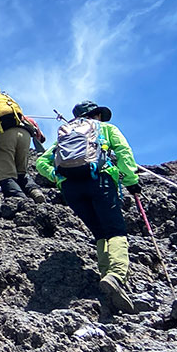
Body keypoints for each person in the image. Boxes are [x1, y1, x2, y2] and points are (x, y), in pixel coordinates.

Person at [36, 100, 141, 313]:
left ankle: (107, 281)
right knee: (115, 230)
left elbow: (41, 163)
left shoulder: (65, 134)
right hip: (99, 181)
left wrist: (58, 178)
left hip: (71, 189)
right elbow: (123, 152)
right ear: (96, 115)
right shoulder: (106, 129)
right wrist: (131, 181)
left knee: (100, 232)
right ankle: (116, 276)